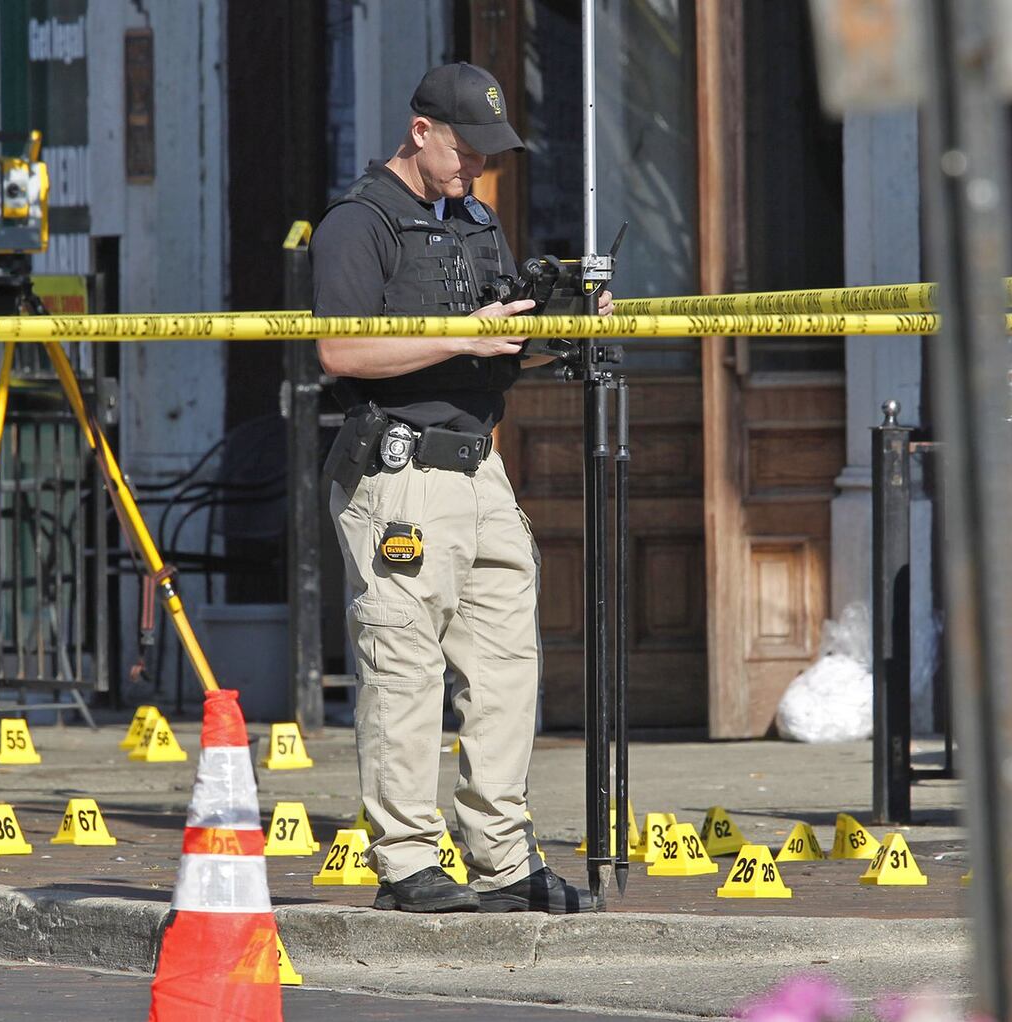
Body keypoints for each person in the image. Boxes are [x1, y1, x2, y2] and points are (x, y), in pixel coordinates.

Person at [311, 62, 613, 914]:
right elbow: (342, 354)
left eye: (488, 151)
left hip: (481, 465)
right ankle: (406, 860)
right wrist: (461, 341)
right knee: (404, 666)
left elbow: (496, 346)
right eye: (465, 148)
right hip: (400, 473)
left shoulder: (477, 222)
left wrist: (558, 332)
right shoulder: (359, 223)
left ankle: (503, 858)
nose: (477, 166)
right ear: (421, 133)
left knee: (508, 668)